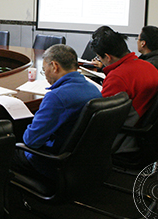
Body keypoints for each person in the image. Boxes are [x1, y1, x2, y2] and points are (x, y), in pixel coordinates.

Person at [12, 44, 101, 179]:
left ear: (54, 66)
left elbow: (31, 141)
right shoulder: (93, 89)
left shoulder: (56, 97)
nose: (45, 75)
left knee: (1, 151)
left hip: (51, 162)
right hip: (82, 162)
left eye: (44, 70)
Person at [90, 26, 158, 133]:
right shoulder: (148, 66)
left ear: (108, 57)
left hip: (125, 131)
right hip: (144, 124)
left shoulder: (117, 77)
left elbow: (100, 116)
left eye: (99, 58)